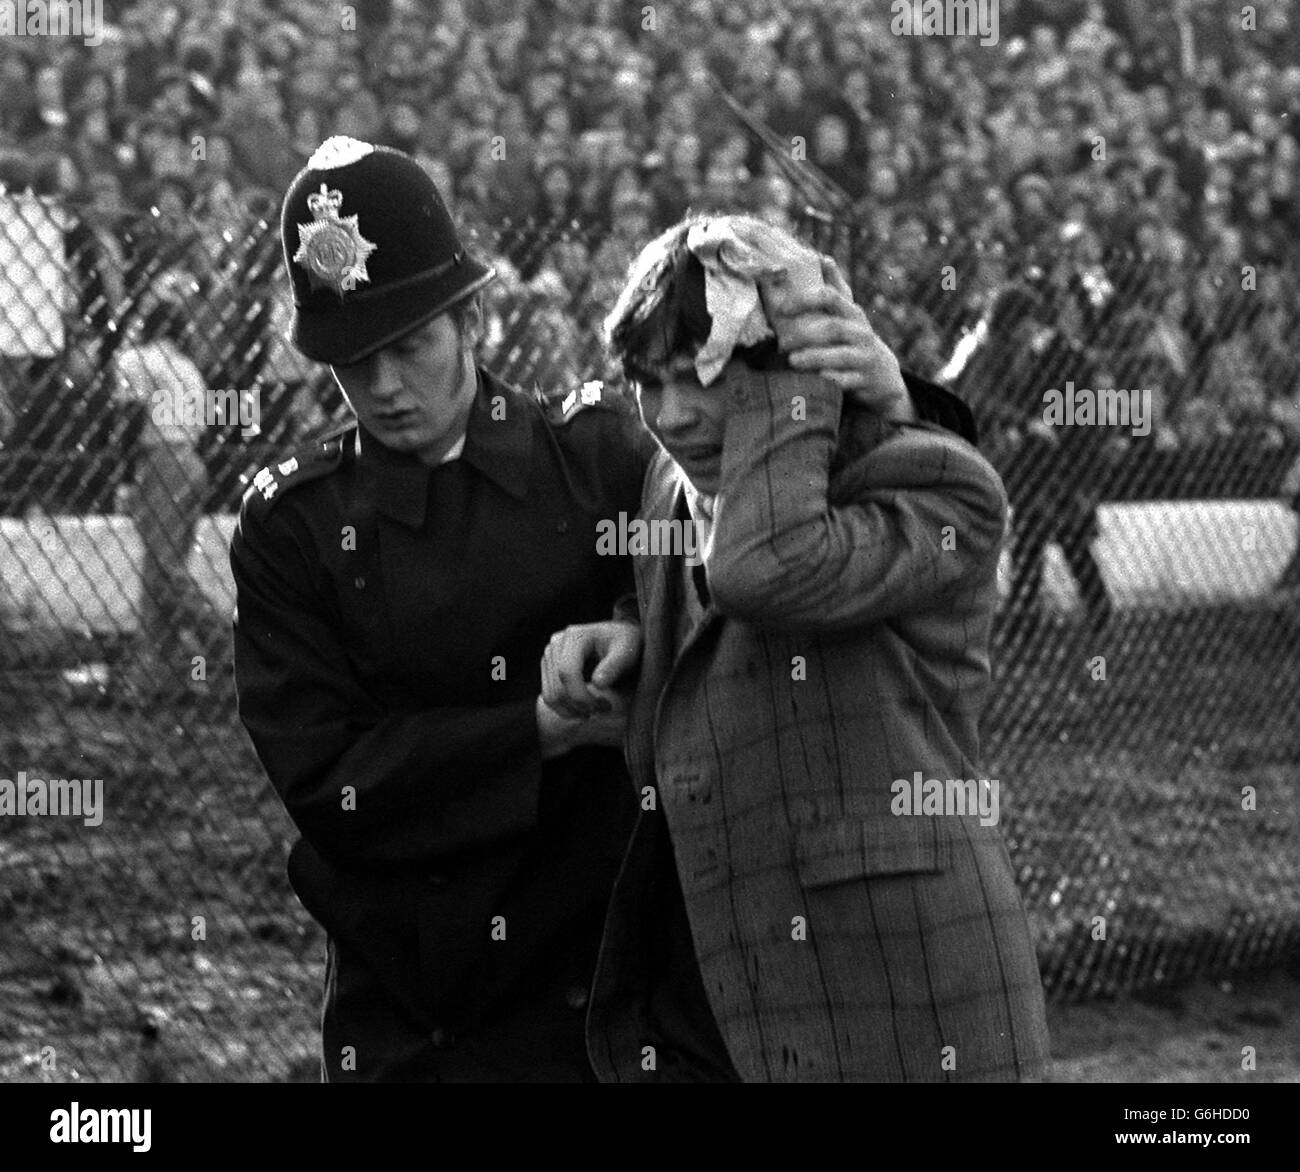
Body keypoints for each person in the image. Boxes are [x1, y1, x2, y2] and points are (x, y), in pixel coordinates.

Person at [229, 138, 957, 1082]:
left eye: (408, 346)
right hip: (414, 1000)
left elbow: (784, 528)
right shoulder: (294, 525)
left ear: (472, 319)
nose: (383, 389)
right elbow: (327, 780)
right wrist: (534, 730)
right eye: (351, 362)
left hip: (610, 988)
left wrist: (896, 404)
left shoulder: (600, 457)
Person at [543, 215, 1051, 1082]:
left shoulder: (936, 486)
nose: (670, 417)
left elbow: (760, 569)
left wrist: (794, 380)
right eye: (646, 380)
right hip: (728, 991)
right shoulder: (671, 484)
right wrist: (633, 627)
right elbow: (712, 595)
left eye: (705, 376)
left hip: (907, 996)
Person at [113, 272, 218, 699]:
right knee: (159, 571)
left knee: (163, 574)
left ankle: (227, 639)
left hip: (162, 459)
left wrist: (122, 476)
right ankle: (164, 671)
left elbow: (131, 416)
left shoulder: (136, 359)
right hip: (191, 462)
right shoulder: (188, 367)